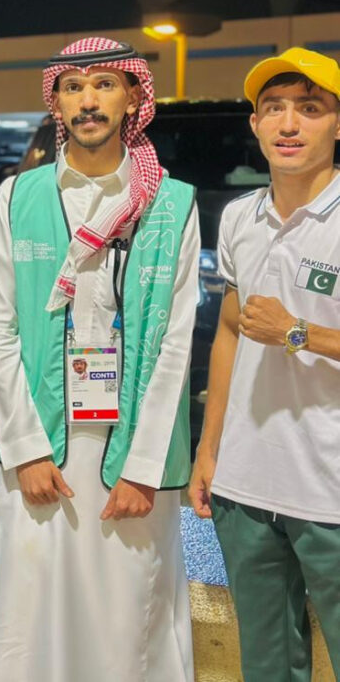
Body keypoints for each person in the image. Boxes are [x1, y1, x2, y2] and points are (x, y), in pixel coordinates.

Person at [0, 37, 198, 682]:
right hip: (42, 445)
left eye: (104, 83)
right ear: (57, 103)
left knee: (132, 617)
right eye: (73, 87)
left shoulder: (171, 204)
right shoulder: (17, 198)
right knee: (31, 613)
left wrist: (144, 467)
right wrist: (24, 449)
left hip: (132, 455)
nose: (88, 99)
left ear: (133, 96)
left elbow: (177, 342)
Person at [190, 47, 340, 681]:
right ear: (253, 123)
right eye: (273, 108)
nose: (288, 124)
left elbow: (275, 330)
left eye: (310, 108)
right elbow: (229, 333)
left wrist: (299, 331)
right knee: (268, 664)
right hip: (245, 487)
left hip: (330, 489)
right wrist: (209, 449)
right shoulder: (238, 217)